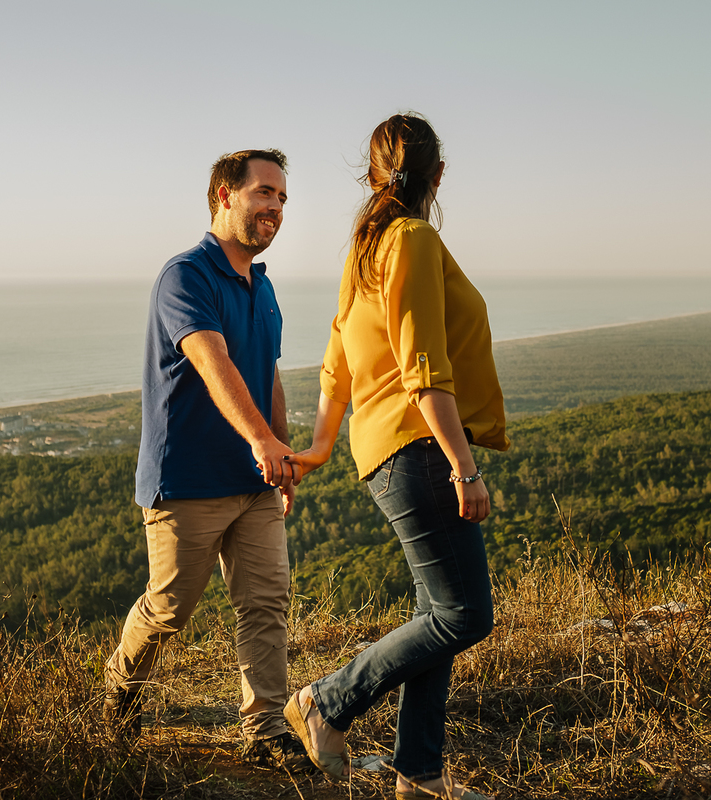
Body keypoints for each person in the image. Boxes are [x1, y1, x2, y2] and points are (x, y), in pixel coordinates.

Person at [285, 114, 508, 800]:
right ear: (438, 176)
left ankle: (421, 772)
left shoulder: (366, 245)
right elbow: (422, 369)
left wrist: (322, 444)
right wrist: (463, 465)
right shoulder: (409, 238)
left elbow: (336, 358)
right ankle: (327, 700)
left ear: (373, 174)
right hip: (419, 447)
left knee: (434, 613)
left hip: (388, 448)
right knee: (465, 615)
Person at [103, 148, 311, 772]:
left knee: (267, 599)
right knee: (170, 609)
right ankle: (116, 697)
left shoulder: (262, 284)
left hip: (254, 480)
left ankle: (266, 728)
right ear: (224, 195)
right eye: (263, 193)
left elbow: (265, 371)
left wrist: (282, 451)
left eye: (281, 198)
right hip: (188, 480)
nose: (274, 207)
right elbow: (213, 363)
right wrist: (260, 442)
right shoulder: (185, 276)